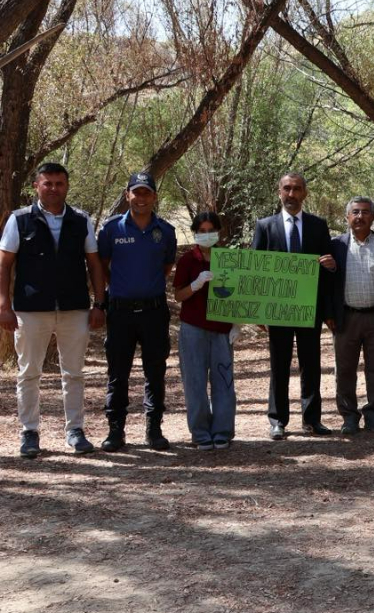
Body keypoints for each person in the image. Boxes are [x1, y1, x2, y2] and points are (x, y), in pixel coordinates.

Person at [0, 162, 106, 458]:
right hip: (31, 310)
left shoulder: (81, 220)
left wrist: (99, 304)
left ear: (67, 186)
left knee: (73, 373)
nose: (54, 189)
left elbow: (94, 264)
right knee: (29, 373)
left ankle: (75, 430)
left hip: (74, 309)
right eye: (48, 183)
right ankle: (29, 432)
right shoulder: (20, 220)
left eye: (59, 183)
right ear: (36, 186)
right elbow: (4, 264)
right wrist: (4, 306)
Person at [252, 172, 336, 440]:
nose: (291, 194)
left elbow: (328, 268)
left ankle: (312, 420)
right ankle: (278, 420)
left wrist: (331, 266)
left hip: (309, 308)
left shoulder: (318, 226)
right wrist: (259, 309)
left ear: (305, 193)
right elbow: (256, 270)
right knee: (279, 365)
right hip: (277, 308)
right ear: (279, 192)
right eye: (287, 189)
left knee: (311, 365)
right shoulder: (265, 226)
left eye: (297, 189)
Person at [98, 172, 178, 451]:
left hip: (154, 312)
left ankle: (154, 429)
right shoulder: (111, 229)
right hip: (120, 313)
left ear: (154, 196)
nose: (141, 198)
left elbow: (166, 268)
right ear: (127, 194)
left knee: (155, 371)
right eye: (136, 192)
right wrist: (122, 289)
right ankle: (115, 431)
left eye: (147, 193)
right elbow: (103, 267)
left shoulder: (166, 231)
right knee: (117, 373)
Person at [327, 197, 374, 435]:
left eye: (365, 212)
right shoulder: (334, 246)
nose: (360, 217)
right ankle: (349, 417)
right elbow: (325, 284)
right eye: (355, 212)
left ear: (373, 217)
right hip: (345, 317)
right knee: (344, 369)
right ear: (347, 217)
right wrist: (328, 314)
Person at [173, 212, 237, 450]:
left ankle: (222, 431)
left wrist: (237, 324)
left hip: (222, 329)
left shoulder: (230, 259)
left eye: (211, 230)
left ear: (219, 232)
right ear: (195, 232)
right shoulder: (188, 260)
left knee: (224, 381)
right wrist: (196, 284)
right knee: (195, 382)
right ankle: (200, 433)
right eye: (202, 231)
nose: (206, 234)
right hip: (193, 329)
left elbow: (241, 294)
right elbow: (178, 295)